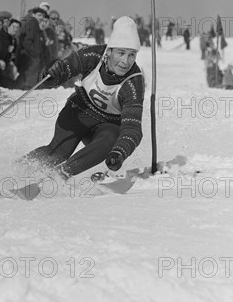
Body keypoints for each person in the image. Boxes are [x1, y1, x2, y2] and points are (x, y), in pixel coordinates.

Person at [18, 16, 144, 182]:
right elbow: (67, 67)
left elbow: (132, 128)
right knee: (57, 153)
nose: (125, 61)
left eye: (132, 55)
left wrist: (120, 151)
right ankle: (18, 170)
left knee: (112, 136)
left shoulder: (133, 82)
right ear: (110, 50)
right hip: (78, 113)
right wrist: (53, 74)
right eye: (121, 53)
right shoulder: (93, 55)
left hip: (105, 126)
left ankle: (60, 175)